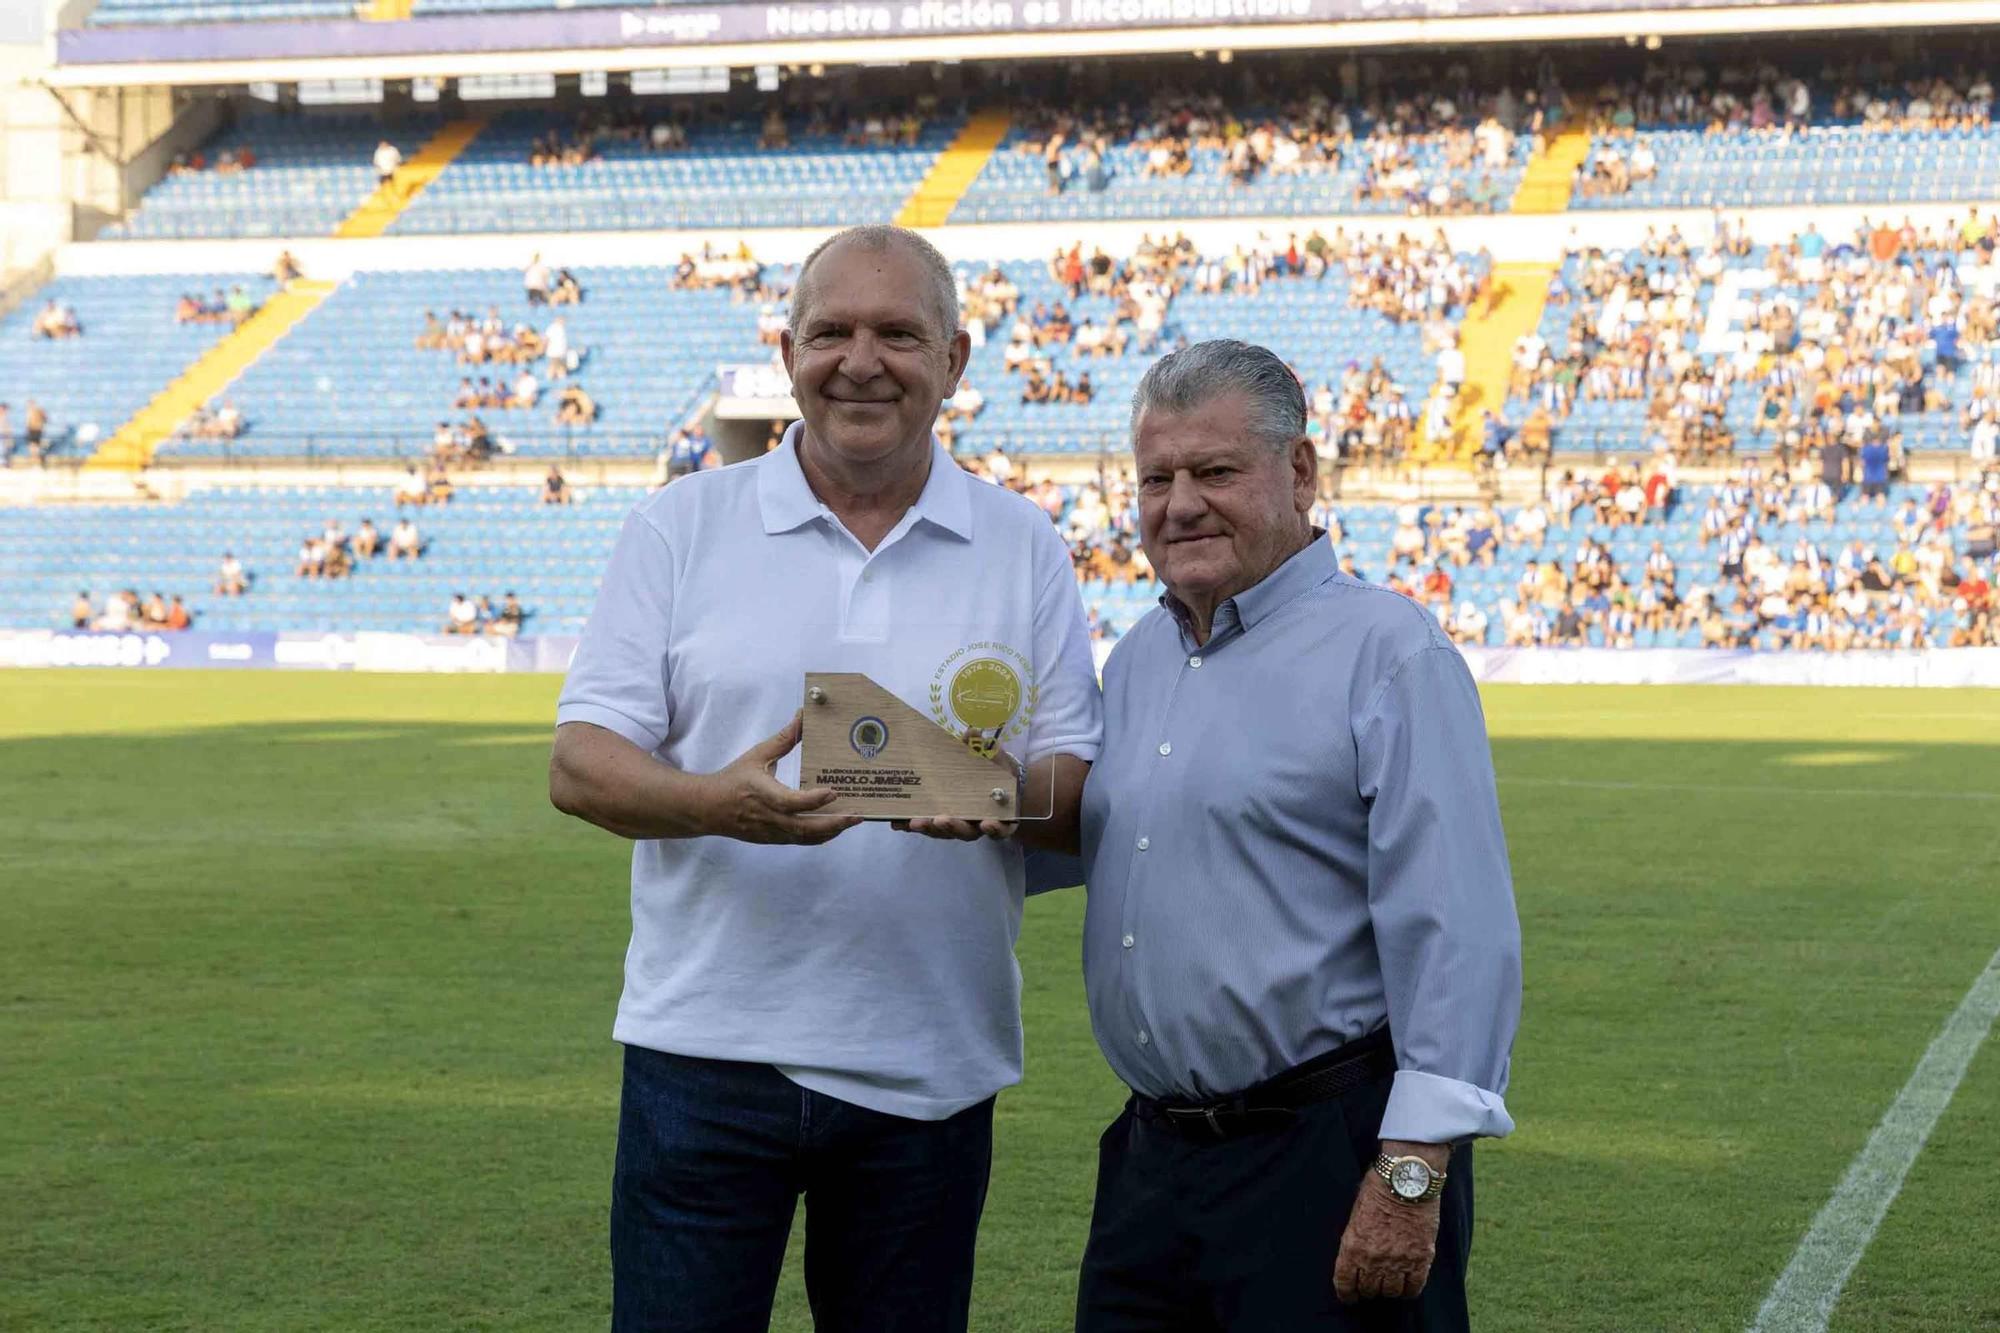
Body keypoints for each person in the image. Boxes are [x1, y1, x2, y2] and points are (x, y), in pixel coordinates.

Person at [548, 224, 1102, 1333]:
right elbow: (579, 762)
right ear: (786, 349)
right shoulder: (679, 524)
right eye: (831, 331)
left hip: (927, 1065)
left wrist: (992, 794)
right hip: (703, 1056)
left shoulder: (1021, 541)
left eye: (898, 333)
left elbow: (1069, 787)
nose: (861, 360)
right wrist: (721, 806)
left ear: (954, 359)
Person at [1074, 340, 1520, 1332]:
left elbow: (1459, 928)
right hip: (1152, 1162)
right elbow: (1100, 837)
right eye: (1156, 478)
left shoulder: (1388, 652)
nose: (1178, 502)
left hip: (1324, 1152)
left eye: (1214, 471)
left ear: (1301, 474)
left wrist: (1410, 1171)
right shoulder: (1142, 653)